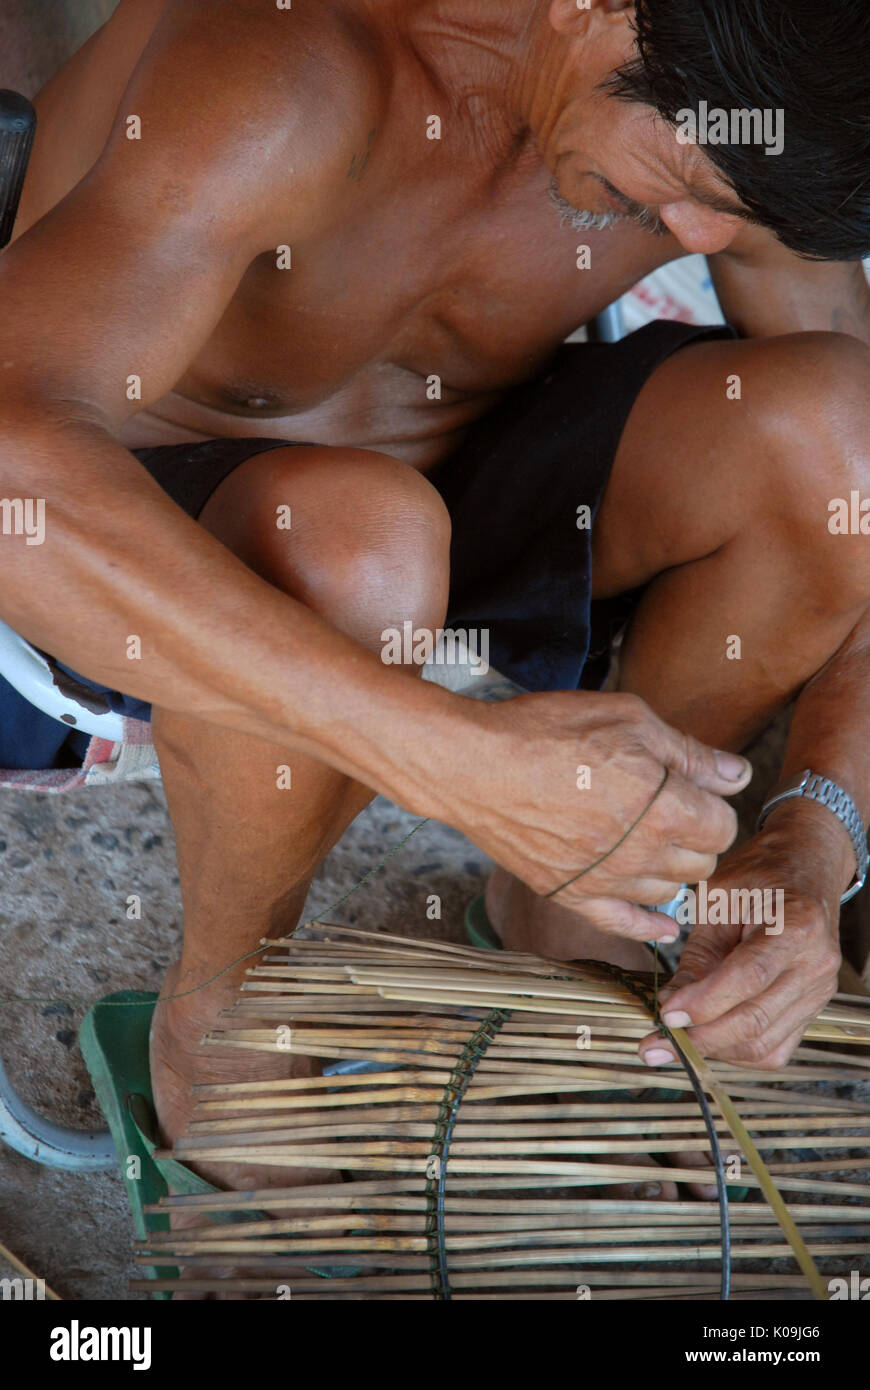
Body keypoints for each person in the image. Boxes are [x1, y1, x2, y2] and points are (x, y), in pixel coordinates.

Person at [1, 0, 869, 1206]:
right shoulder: (290, 68)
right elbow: (15, 473)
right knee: (359, 544)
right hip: (143, 540)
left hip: (458, 494)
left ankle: (589, 899)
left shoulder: (743, 122)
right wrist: (453, 765)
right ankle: (228, 1012)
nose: (702, 235)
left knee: (845, 435)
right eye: (690, 188)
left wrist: (818, 838)